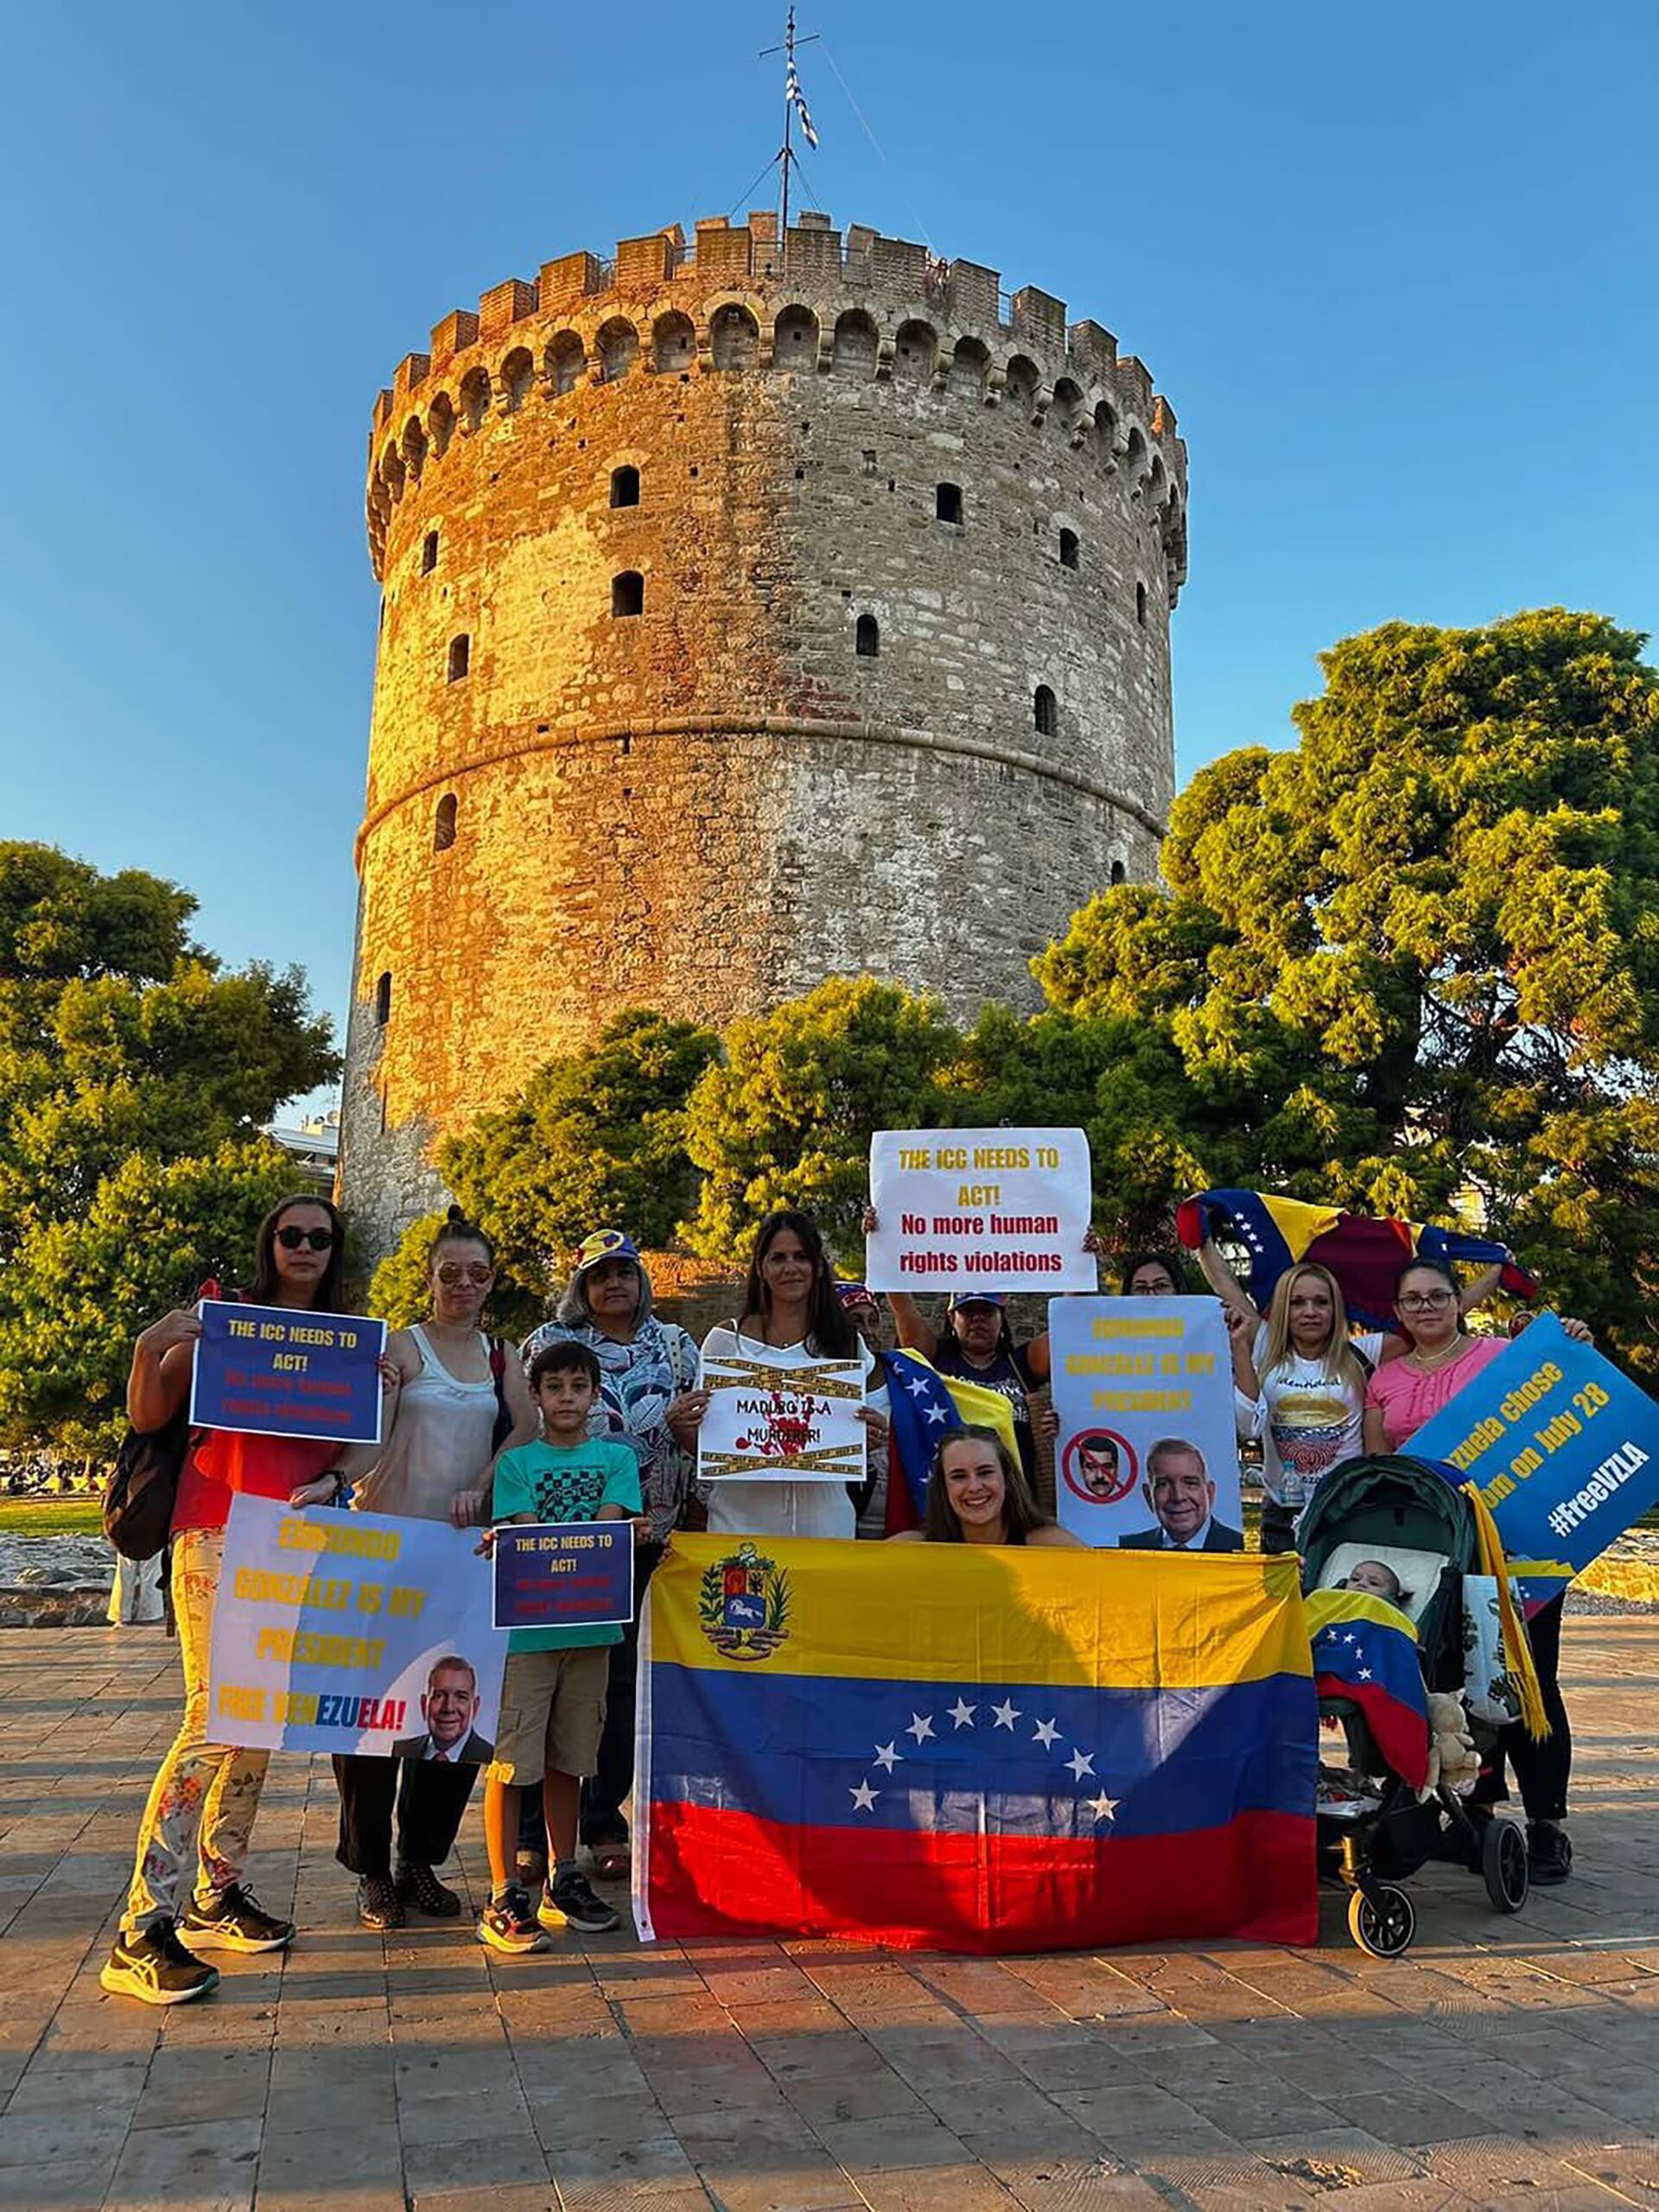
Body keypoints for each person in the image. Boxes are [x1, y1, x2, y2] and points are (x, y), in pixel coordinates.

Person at [101, 1195, 390, 2007]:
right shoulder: (227, 1324)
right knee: (210, 1719)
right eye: (291, 1235)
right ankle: (141, 1925)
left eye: (321, 1238)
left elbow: (351, 1450)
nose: (305, 1247)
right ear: (270, 1244)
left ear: (336, 1251)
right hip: (216, 1528)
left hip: (296, 1536)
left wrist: (381, 1395)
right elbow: (150, 1412)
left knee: (259, 1722)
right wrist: (151, 1346)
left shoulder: (347, 1346)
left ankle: (215, 1891)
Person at [333, 1210, 534, 1930]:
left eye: (478, 1274)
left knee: (451, 1716)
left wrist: (483, 1482)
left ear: (492, 1282)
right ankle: (370, 1868)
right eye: (451, 1272)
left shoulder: (502, 1356)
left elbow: (525, 1435)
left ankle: (421, 1858)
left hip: (461, 1557)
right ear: (430, 1277)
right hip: (386, 1547)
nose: (464, 1285)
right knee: (374, 1712)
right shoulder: (400, 1349)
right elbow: (366, 1437)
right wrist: (335, 1482)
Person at [1364, 1268, 1592, 1884]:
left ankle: (1548, 1826)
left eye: (1438, 1295)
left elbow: (1565, 1391)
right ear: (1398, 1310)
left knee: (1528, 1684)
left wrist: (1574, 1341)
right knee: (1457, 1688)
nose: (1426, 1306)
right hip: (1439, 1557)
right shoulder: (1384, 1380)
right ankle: (1478, 1815)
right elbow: (1379, 1467)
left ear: (1457, 1302)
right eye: (1412, 1298)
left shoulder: (1502, 1357)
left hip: (1516, 1552)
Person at [518, 1229, 702, 1880]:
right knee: (542, 1687)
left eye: (624, 1271)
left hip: (646, 1536)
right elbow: (521, 1425)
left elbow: (707, 1431)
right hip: (557, 1543)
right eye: (599, 1275)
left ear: (642, 1278)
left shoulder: (676, 1345)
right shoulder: (547, 1344)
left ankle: (600, 1818)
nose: (613, 1284)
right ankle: (528, 1829)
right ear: (582, 1285)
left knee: (617, 1689)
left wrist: (695, 1451)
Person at [479, 1339, 642, 1951]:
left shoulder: (616, 1459)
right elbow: (528, 1534)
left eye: (578, 1387)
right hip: (527, 1635)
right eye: (554, 1388)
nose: (566, 1398)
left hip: (593, 1633)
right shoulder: (517, 1465)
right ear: (537, 1396)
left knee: (569, 1760)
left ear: (595, 1396)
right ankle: (501, 1891)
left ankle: (561, 1875)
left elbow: (607, 1523)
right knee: (511, 1758)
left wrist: (613, 1533)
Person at [861, 1211, 1101, 1487]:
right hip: (951, 1497)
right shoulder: (933, 1360)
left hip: (1017, 1498)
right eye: (968, 1312)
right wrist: (883, 1241)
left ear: (1002, 1318)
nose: (978, 1319)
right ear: (952, 1319)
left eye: (987, 1311)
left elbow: (1068, 1324)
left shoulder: (1021, 1364)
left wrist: (1083, 1263)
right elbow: (903, 1307)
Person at [695, 1211, 887, 1541]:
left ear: (817, 1267)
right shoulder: (724, 1341)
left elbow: (871, 1425)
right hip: (738, 1524)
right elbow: (704, 1442)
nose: (790, 1268)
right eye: (778, 1258)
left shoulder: (844, 1342)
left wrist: (870, 1434)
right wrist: (683, 1425)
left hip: (826, 1526)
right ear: (761, 1268)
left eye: (801, 1257)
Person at [888, 1426, 1084, 1548]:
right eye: (959, 1476)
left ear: (1007, 1479)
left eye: (985, 1472)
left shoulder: (1051, 1546)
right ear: (943, 1487)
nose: (974, 1487)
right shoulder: (910, 1551)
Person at [1119, 1439, 1243, 1552]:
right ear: (1148, 1496)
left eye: (1190, 1483)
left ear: (1210, 1493)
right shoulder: (1126, 1547)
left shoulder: (1236, 1546)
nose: (1178, 1497)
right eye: (1163, 1484)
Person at [390, 1657, 496, 1763]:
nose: (448, 1708)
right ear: (423, 1704)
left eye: (461, 1697)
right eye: (439, 1696)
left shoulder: (492, 1757)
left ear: (475, 1707)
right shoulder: (401, 1750)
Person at [1341, 1560, 1410, 1605]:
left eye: (1374, 1583)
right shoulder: (1332, 1601)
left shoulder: (1393, 1618)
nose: (1361, 1584)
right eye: (1355, 1579)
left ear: (1391, 1596)